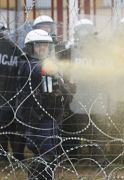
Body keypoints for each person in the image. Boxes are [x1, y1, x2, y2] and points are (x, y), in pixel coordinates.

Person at [17, 29, 67, 179]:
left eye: (45, 45)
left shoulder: (47, 65)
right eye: (38, 45)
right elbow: (35, 69)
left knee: (46, 155)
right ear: (30, 47)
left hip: (49, 116)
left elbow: (52, 89)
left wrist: (61, 88)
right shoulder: (26, 63)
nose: (42, 48)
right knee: (47, 154)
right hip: (36, 118)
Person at [0, 20, 24, 161]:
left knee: (3, 129)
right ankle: (18, 157)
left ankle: (3, 156)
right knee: (16, 129)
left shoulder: (13, 48)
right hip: (14, 97)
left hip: (7, 96)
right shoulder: (15, 48)